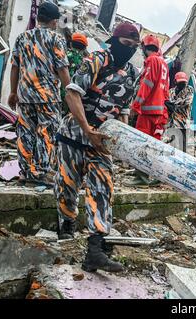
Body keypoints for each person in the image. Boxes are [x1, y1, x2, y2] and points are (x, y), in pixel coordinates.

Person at [55, 22, 140, 273]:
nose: (130, 50)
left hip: (101, 142)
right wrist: (86, 129)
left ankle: (95, 248)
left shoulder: (133, 74)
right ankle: (66, 226)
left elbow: (123, 111)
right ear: (114, 41)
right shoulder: (96, 60)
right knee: (67, 185)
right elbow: (72, 95)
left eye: (134, 47)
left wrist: (120, 140)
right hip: (74, 134)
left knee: (103, 187)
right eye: (126, 45)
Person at [8, 1, 70, 186]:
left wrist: (13, 92)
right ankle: (41, 172)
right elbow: (63, 69)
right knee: (46, 133)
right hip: (47, 97)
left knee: (25, 133)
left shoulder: (22, 37)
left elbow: (14, 67)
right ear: (54, 21)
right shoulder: (56, 39)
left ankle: (26, 172)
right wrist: (71, 92)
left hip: (25, 96)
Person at [129, 34, 169, 186]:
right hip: (159, 111)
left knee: (142, 144)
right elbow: (165, 90)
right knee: (154, 146)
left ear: (144, 48)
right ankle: (158, 174)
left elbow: (147, 84)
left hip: (147, 111)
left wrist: (135, 106)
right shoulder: (164, 63)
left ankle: (141, 177)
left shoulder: (152, 61)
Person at [61, 32, 89, 114]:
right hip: (72, 94)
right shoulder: (85, 62)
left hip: (55, 91)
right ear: (84, 48)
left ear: (70, 43)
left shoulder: (63, 54)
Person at [166, 71, 194, 152]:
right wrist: (168, 103)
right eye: (180, 82)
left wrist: (172, 104)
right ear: (175, 81)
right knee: (171, 144)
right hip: (172, 122)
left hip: (183, 122)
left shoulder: (189, 90)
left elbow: (186, 102)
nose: (182, 84)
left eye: (183, 82)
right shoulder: (171, 91)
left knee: (182, 145)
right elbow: (167, 101)